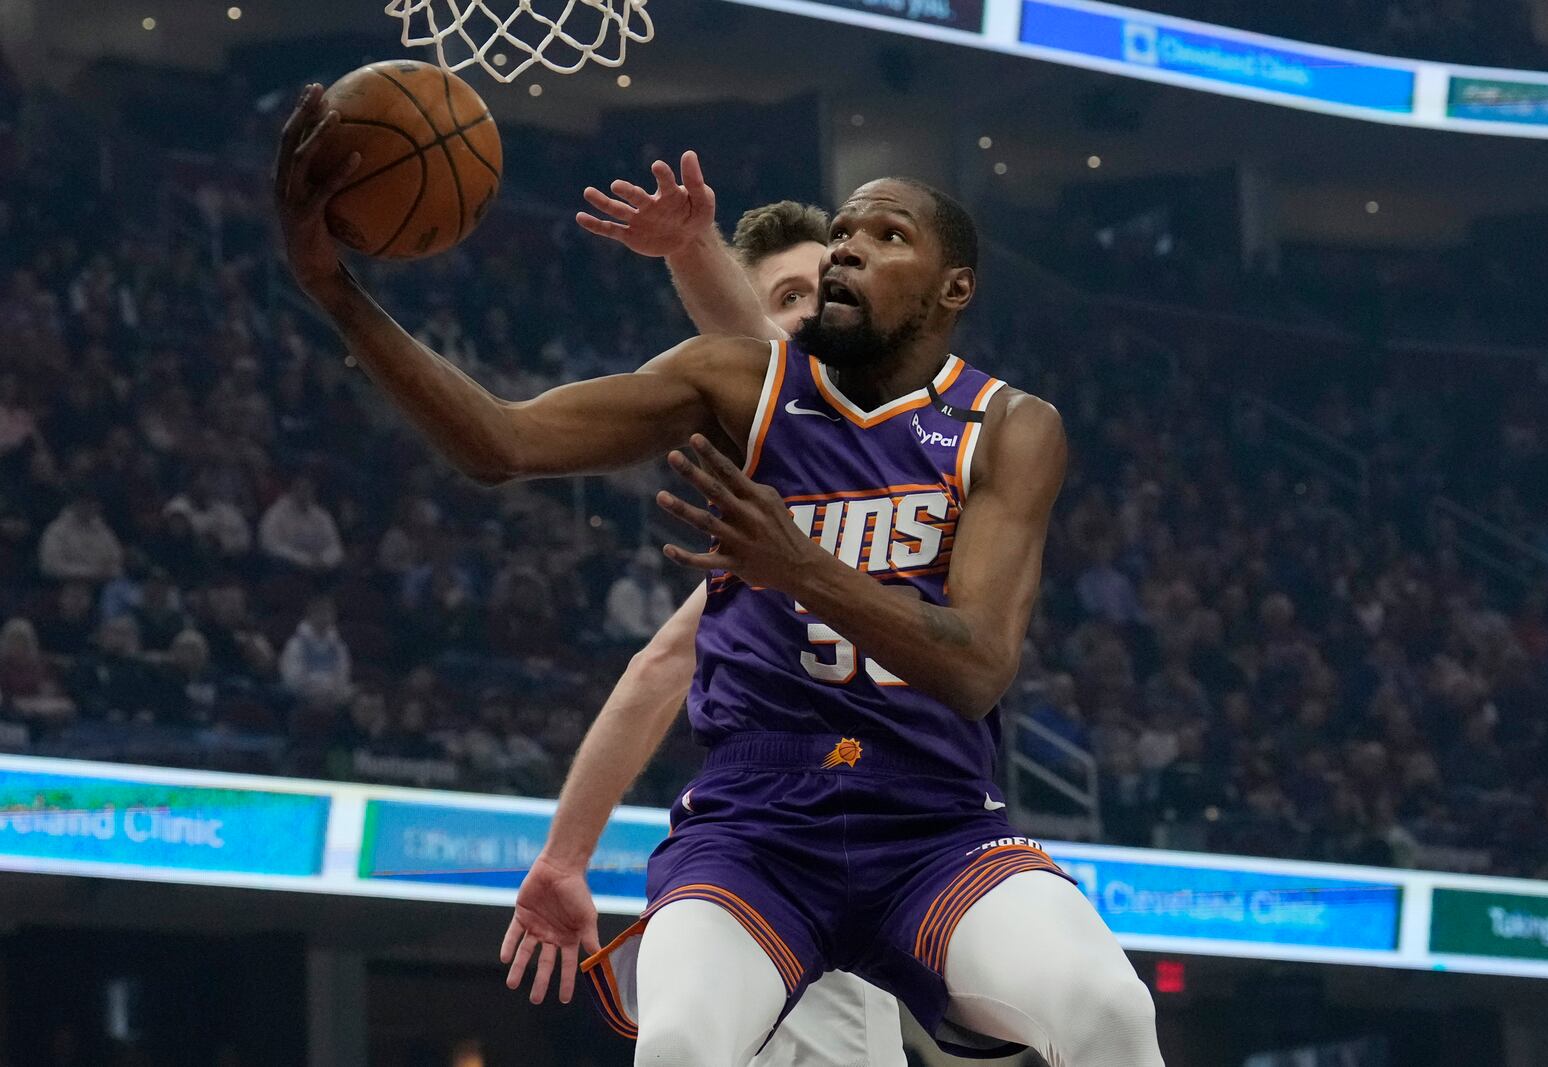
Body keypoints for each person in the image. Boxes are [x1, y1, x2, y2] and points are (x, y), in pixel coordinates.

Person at [278, 85, 1160, 1067]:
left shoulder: (1007, 425)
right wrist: (333, 288)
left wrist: (799, 566)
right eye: (844, 231)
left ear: (954, 287)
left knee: (1109, 1010)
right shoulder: (738, 385)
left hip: (935, 822)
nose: (848, 246)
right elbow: (501, 440)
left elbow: (977, 665)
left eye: (886, 232)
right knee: (682, 1045)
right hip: (754, 828)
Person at [524, 168, 905, 1067]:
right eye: (788, 296)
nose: (815, 312)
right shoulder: (794, 490)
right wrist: (565, 857)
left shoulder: (915, 446)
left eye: (831, 290)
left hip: (872, 858)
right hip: (787, 869)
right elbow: (660, 668)